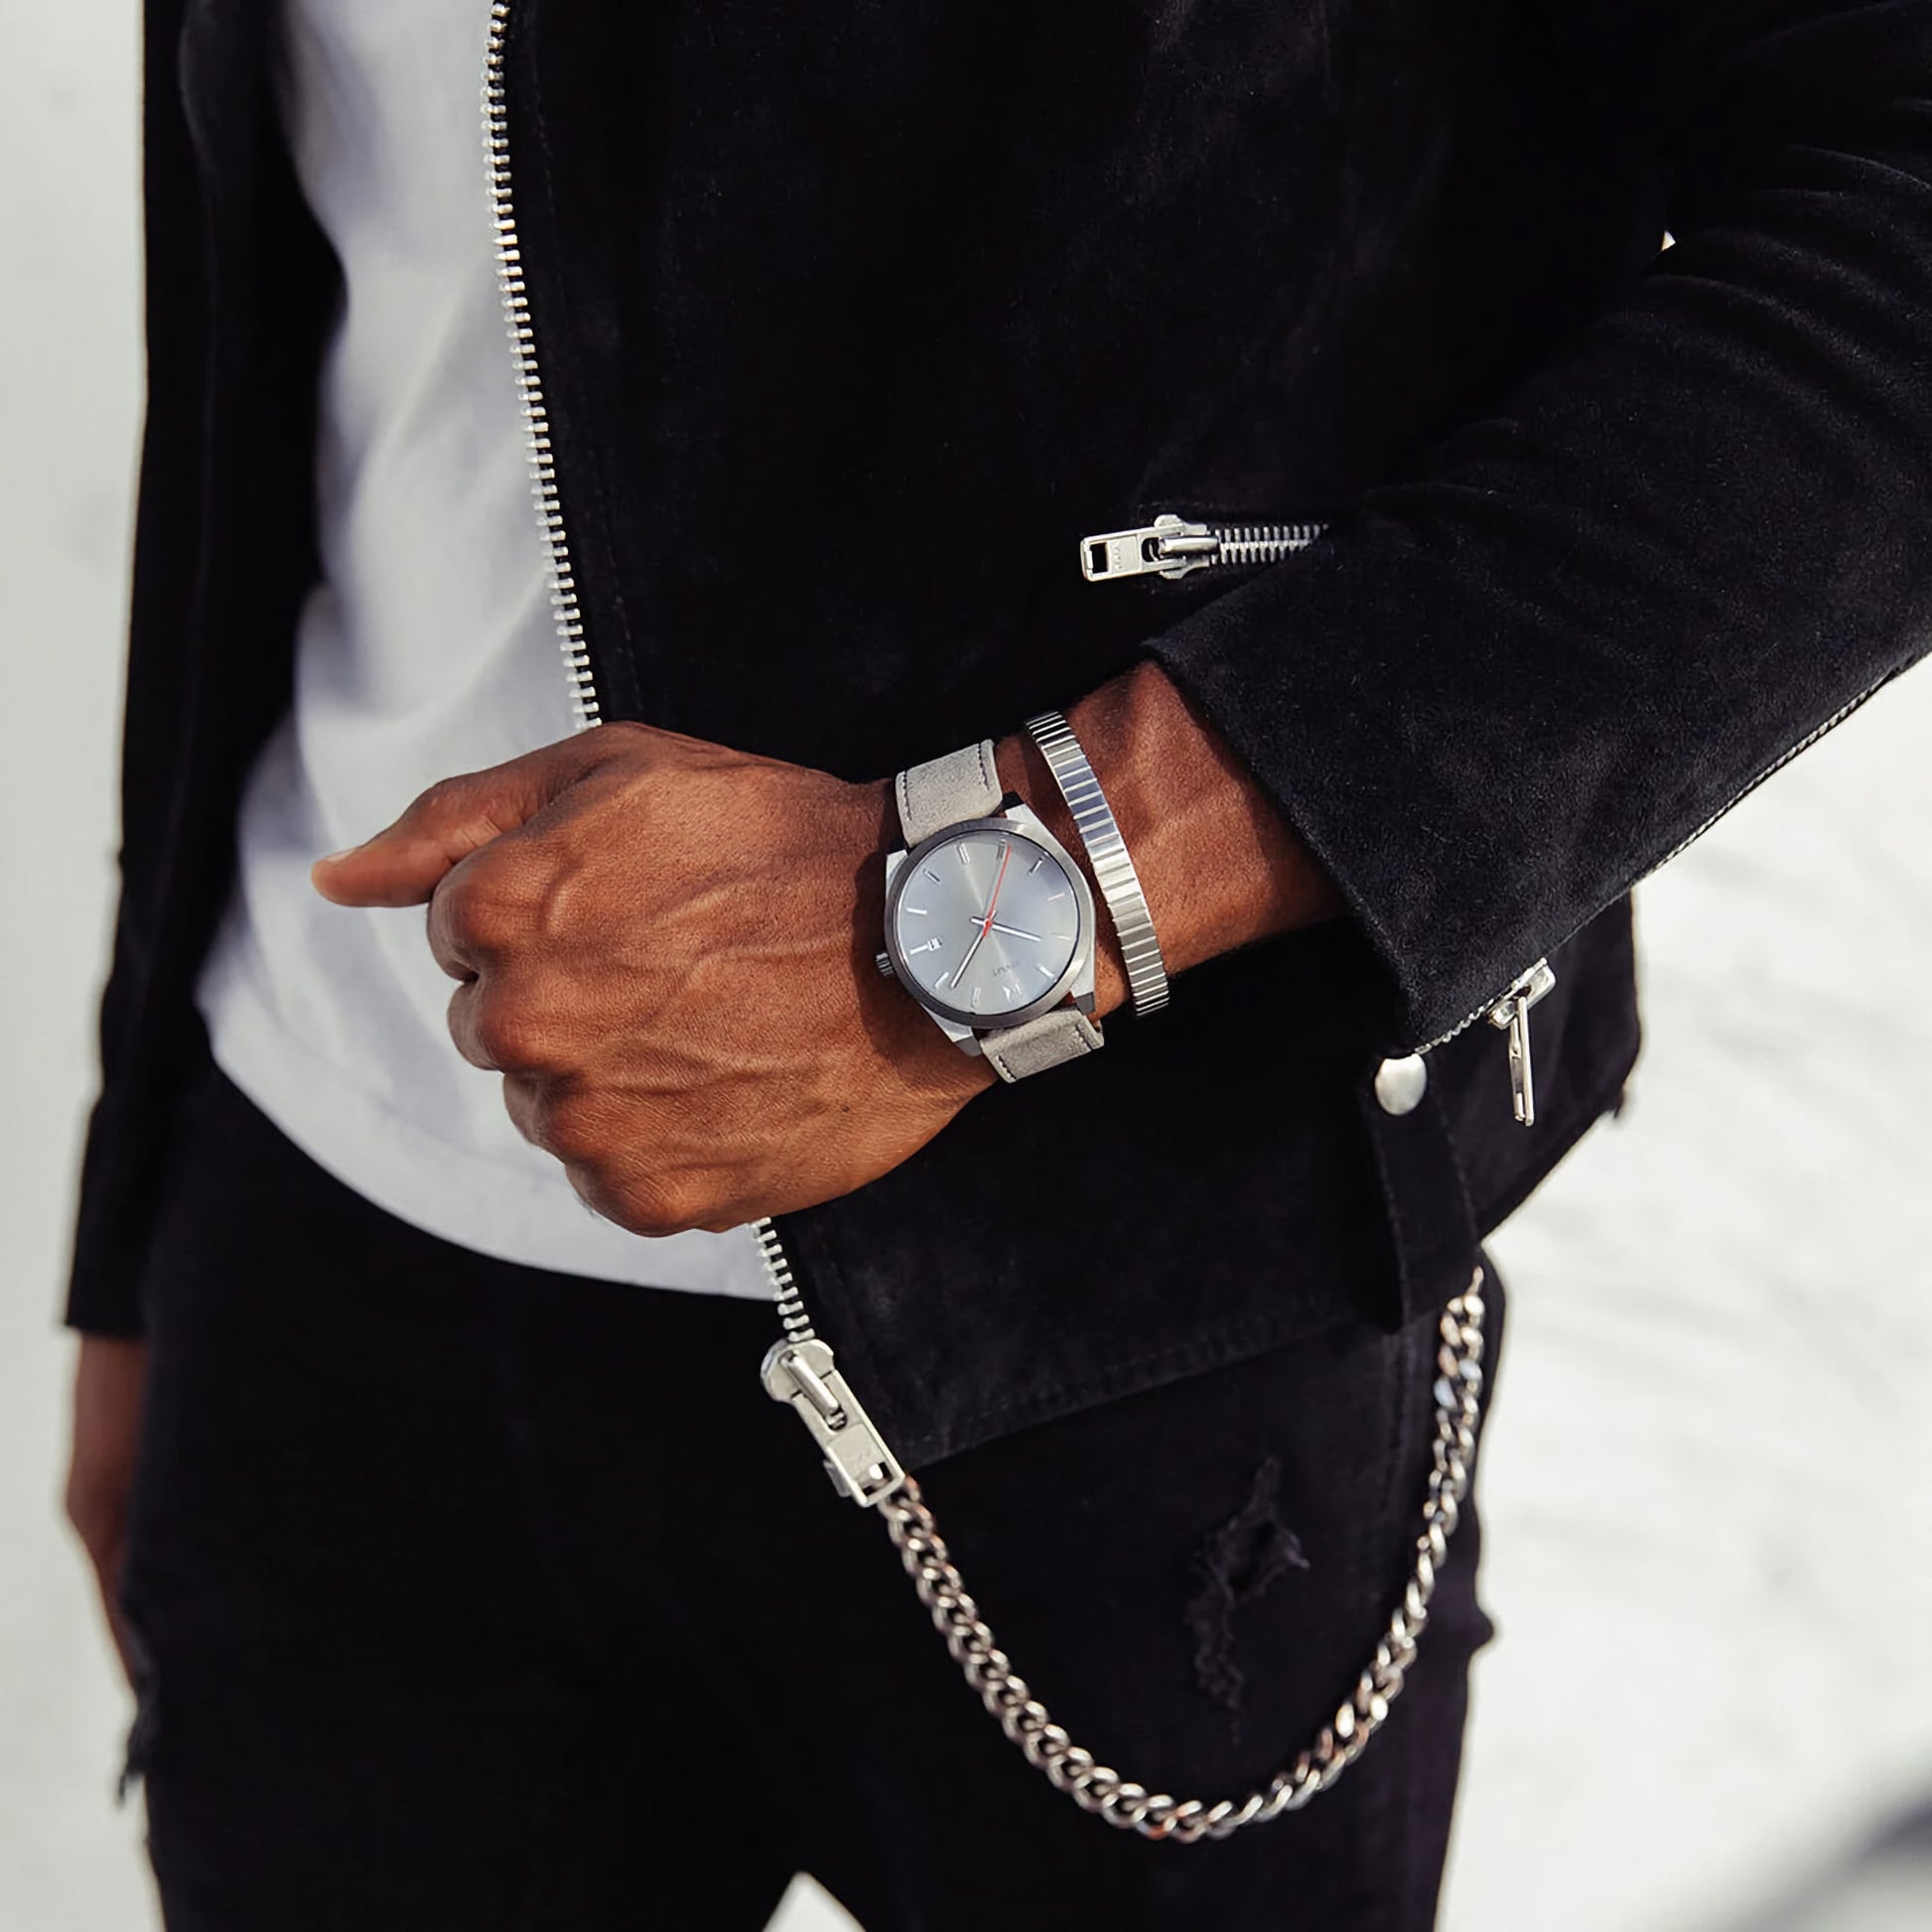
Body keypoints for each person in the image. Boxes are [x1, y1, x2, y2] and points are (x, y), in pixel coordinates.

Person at [60, 1, 1932, 1927]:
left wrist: (1012, 883)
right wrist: (137, 1233)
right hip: (316, 1224)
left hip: (1136, 1319)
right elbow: (299, 322)